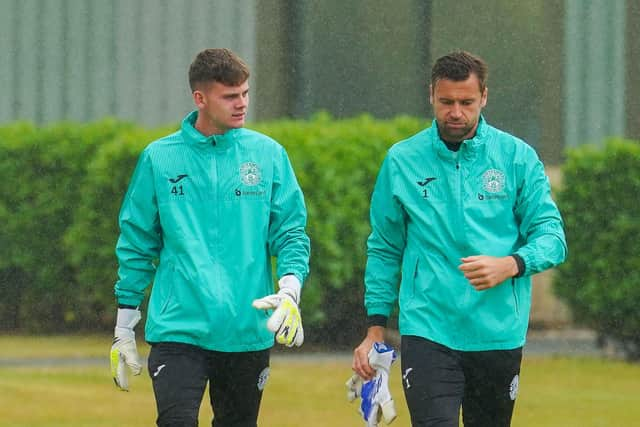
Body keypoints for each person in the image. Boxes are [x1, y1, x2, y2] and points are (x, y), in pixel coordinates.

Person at [351, 51, 567, 426]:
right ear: (431, 95)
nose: (456, 112)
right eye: (446, 101)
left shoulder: (517, 158)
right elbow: (385, 248)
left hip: (498, 333)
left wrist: (510, 264)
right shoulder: (402, 161)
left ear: (484, 97)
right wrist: (374, 329)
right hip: (429, 329)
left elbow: (552, 237)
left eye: (466, 102)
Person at [109, 48, 310, 427]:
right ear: (200, 98)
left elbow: (290, 233)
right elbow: (137, 243)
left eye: (245, 94)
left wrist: (290, 288)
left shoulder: (268, 155)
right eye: (230, 96)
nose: (242, 104)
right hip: (178, 328)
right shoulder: (159, 159)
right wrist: (124, 325)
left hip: (247, 328)